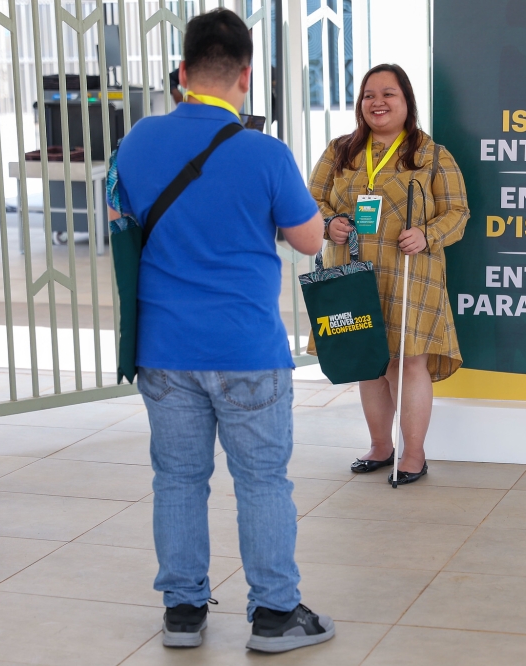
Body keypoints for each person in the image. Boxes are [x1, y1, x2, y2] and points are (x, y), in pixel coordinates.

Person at [107, 8, 333, 653]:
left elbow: (119, 217)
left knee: (177, 480)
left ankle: (183, 612)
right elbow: (310, 239)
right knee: (262, 480)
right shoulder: (266, 152)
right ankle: (274, 616)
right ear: (246, 74)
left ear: (181, 73)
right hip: (246, 349)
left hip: (164, 349)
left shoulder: (138, 141)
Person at [308, 63, 470, 486]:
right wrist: (328, 224)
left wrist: (428, 234)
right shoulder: (339, 151)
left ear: (406, 101)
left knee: (407, 360)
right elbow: (309, 202)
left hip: (410, 273)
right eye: (368, 95)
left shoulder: (432, 155)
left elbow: (458, 212)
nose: (377, 102)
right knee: (367, 362)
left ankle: (414, 454)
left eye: (388, 94)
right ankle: (381, 447)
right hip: (352, 272)